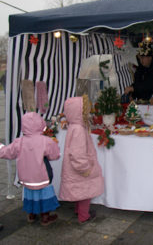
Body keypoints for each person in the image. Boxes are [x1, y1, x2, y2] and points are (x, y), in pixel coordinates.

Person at [0, 112, 60, 225]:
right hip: (42, 176)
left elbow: (6, 152)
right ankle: (45, 217)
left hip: (26, 178)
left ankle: (31, 215)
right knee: (44, 195)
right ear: (40, 123)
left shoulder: (19, 142)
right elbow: (54, 155)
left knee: (30, 194)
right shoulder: (45, 141)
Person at [59, 95, 104, 224]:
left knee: (80, 190)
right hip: (81, 168)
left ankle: (79, 210)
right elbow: (77, 153)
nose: (89, 113)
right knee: (85, 191)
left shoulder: (75, 126)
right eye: (86, 111)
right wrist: (84, 168)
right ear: (79, 112)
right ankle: (84, 216)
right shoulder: (78, 129)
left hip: (76, 168)